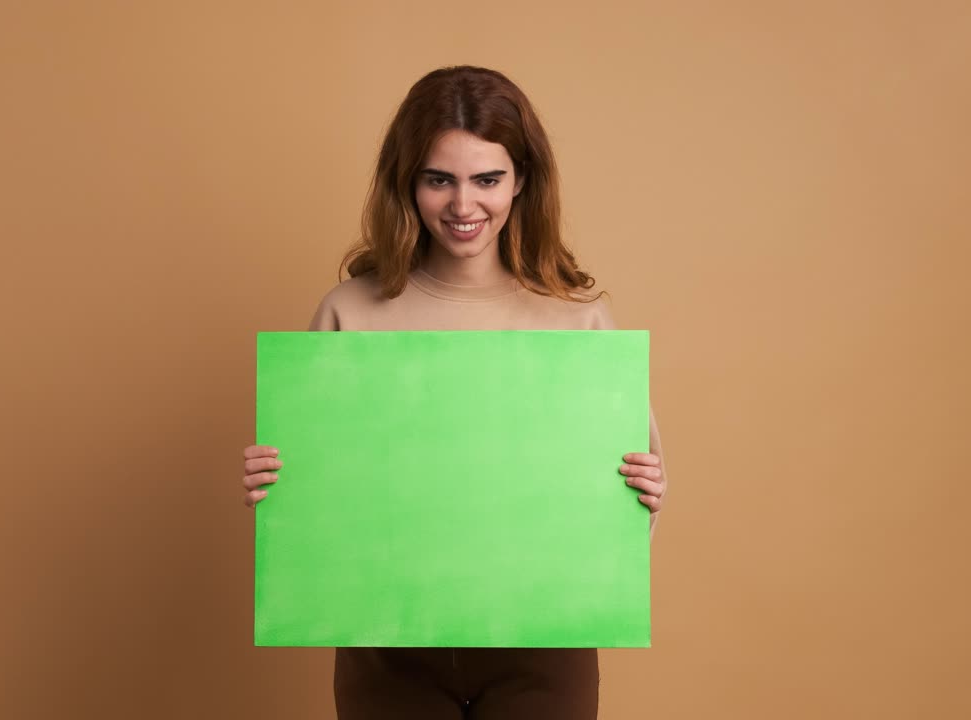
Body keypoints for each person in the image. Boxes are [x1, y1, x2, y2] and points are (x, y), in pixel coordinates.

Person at [241, 65, 667, 720]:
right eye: (439, 179)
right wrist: (275, 488)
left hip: (544, 653)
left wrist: (646, 495)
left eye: (487, 179)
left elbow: (621, 516)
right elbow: (316, 507)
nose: (464, 206)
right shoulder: (348, 313)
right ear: (407, 183)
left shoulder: (579, 317)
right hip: (387, 652)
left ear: (521, 180)